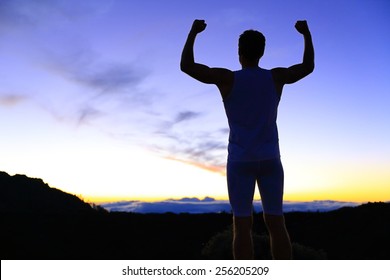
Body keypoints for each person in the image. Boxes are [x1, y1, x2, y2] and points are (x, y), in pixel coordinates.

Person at [180, 19, 314, 259]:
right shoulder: (275, 77)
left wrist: (194, 32)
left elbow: (187, 66)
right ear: (262, 52)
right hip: (271, 160)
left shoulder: (227, 79)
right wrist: (305, 33)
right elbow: (307, 66)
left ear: (239, 52)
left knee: (241, 225)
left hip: (240, 161)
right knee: (276, 222)